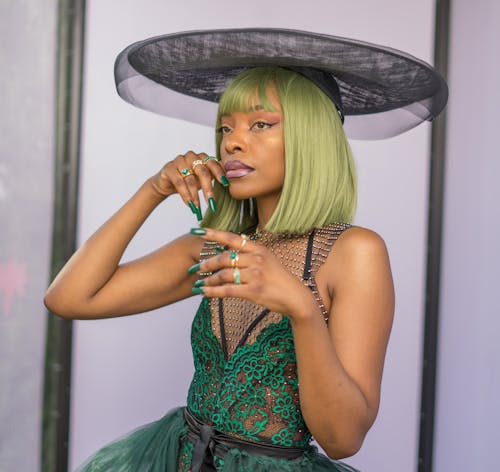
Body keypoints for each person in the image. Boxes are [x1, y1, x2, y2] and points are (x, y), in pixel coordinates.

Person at [45, 29, 447, 471]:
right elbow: (68, 298)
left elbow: (343, 440)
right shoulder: (214, 248)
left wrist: (302, 309)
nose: (232, 141)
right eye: (225, 127)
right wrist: (152, 190)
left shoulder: (354, 252)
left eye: (260, 124)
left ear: (312, 137)